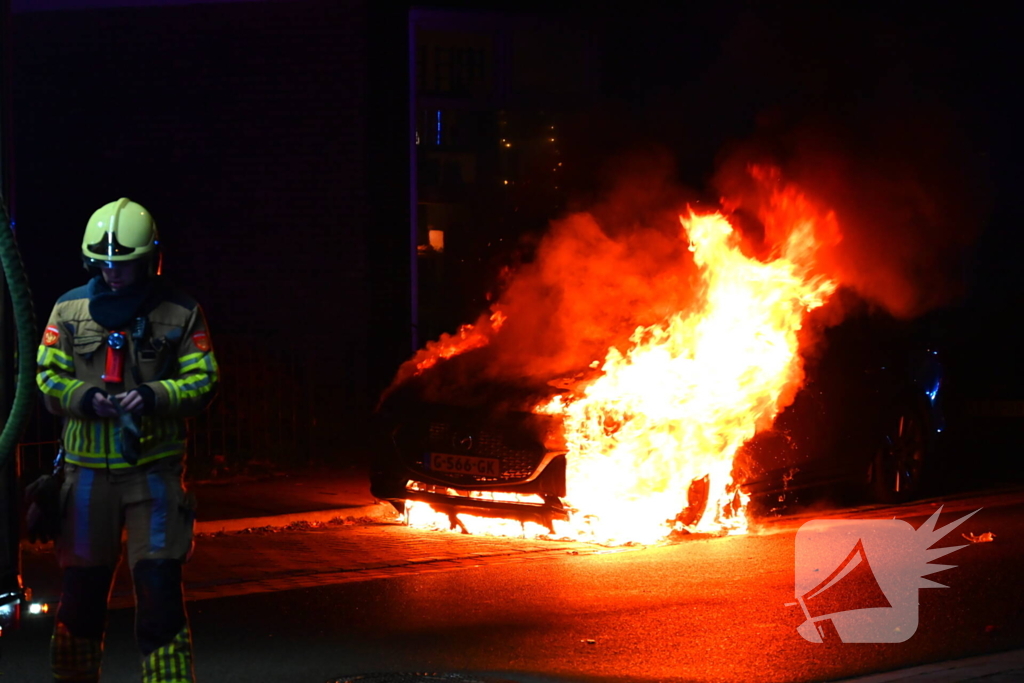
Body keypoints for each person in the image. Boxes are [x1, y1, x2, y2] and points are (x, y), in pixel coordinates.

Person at [35, 197, 218, 683]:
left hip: (153, 476)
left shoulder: (180, 312)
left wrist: (156, 395)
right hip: (86, 476)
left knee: (159, 591)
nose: (113, 273)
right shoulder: (70, 308)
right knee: (81, 594)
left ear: (150, 261)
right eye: (105, 263)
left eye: (125, 264)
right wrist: (84, 398)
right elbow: (47, 376)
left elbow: (203, 381)